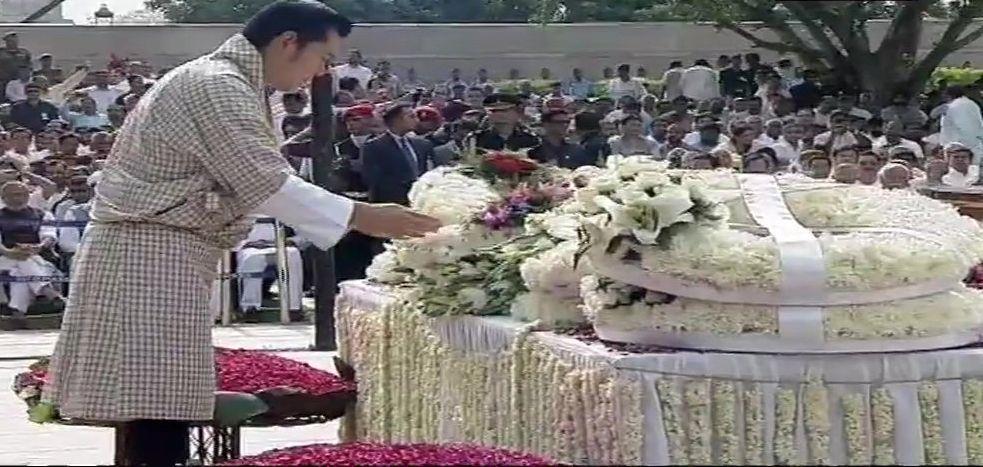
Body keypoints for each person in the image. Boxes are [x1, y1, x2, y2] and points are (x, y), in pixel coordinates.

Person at [45, 5, 441, 466]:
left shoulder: (231, 82)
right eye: (323, 56)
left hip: (162, 248)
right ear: (288, 43)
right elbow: (263, 180)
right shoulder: (217, 84)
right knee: (155, 406)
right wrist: (361, 215)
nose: (324, 71)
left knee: (160, 400)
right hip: (148, 251)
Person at [361, 103, 435, 205]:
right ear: (397, 120)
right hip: (392, 205)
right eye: (411, 116)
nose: (417, 120)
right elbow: (374, 180)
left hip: (421, 202)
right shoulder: (374, 146)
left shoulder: (422, 144)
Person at [470, 93, 540, 151]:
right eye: (493, 111)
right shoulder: (476, 138)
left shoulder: (530, 139)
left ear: (517, 112)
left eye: (504, 110)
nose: (499, 114)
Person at [940, 86, 983, 164]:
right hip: (976, 143)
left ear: (949, 95)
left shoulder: (952, 107)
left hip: (957, 145)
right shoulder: (973, 104)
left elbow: (961, 126)